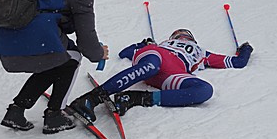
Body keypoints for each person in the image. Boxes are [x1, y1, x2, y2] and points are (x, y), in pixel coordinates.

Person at [0, 0, 112, 134]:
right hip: (35, 47)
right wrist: (99, 53)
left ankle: (16, 110)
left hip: (6, 48)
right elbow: (87, 42)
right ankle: (55, 115)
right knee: (73, 57)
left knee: (56, 60)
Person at [69, 28, 254, 120]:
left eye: (185, 35)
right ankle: (90, 99)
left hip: (172, 73)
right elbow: (125, 53)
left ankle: (134, 98)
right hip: (156, 57)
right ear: (173, 37)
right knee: (150, 66)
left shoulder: (202, 53)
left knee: (204, 90)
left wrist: (245, 50)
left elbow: (236, 63)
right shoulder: (161, 44)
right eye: (178, 34)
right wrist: (143, 44)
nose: (182, 36)